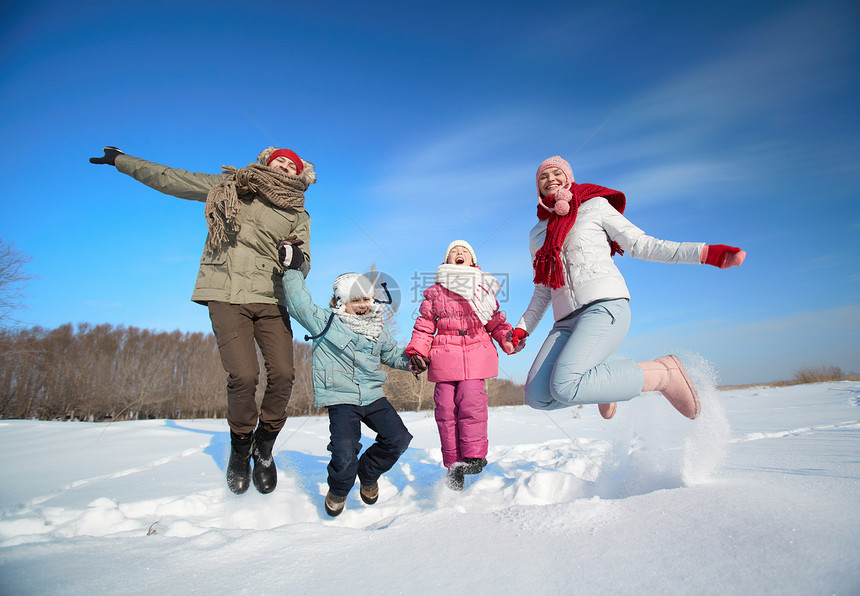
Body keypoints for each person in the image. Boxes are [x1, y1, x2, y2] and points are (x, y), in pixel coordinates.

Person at [90, 145, 315, 496]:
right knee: (243, 376)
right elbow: (172, 180)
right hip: (224, 291)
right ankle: (241, 448)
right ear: (266, 162)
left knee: (284, 375)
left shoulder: (297, 210)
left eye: (292, 166)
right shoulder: (231, 186)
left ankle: (265, 447)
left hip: (270, 297)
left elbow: (304, 260)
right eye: (280, 161)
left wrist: (297, 256)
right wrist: (122, 161)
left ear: (298, 175)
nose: (285, 167)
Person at [511, 156, 746, 419]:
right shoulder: (537, 233)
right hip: (565, 321)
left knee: (565, 385)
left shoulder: (594, 206)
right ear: (538, 187)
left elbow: (642, 244)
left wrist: (703, 253)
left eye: (556, 173)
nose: (550, 179)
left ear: (569, 177)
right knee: (536, 396)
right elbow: (543, 287)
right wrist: (523, 328)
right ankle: (608, 386)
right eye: (543, 176)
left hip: (604, 306)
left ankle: (664, 373)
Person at [278, 242, 413, 516]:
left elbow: (393, 356)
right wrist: (292, 271)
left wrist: (415, 360)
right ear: (341, 303)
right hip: (341, 398)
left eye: (366, 299)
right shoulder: (325, 322)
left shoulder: (377, 327)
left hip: (373, 396)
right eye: (356, 301)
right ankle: (339, 489)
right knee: (344, 451)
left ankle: (368, 472)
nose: (363, 306)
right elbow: (300, 306)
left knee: (398, 439)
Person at [406, 240, 514, 490]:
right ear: (447, 260)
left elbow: (495, 321)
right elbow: (424, 326)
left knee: (470, 400)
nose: (459, 253)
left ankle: (474, 456)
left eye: (465, 251)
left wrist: (508, 339)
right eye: (454, 251)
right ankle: (454, 464)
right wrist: (418, 352)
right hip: (445, 354)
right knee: (445, 407)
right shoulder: (435, 292)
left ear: (473, 261)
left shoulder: (483, 288)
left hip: (476, 351)